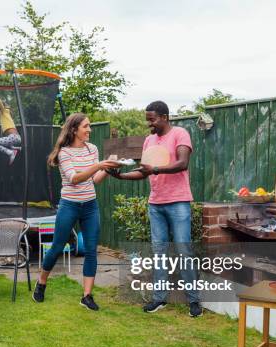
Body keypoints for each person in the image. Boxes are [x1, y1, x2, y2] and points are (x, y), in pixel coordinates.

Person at [110, 100, 202, 318]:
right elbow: (144, 172)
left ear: (164, 117)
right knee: (159, 252)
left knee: (183, 251)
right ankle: (159, 299)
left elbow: (182, 163)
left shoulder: (180, 134)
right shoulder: (149, 141)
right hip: (156, 203)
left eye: (152, 120)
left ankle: (193, 301)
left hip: (178, 201)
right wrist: (121, 175)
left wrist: (156, 169)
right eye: (147, 120)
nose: (149, 125)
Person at [32, 113, 120, 311]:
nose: (89, 130)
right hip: (69, 205)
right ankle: (41, 283)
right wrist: (99, 165)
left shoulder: (92, 149)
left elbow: (94, 180)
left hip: (90, 206)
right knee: (56, 247)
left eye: (89, 126)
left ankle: (87, 296)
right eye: (86, 127)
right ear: (74, 130)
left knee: (91, 250)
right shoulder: (65, 153)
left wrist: (109, 168)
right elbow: (74, 179)